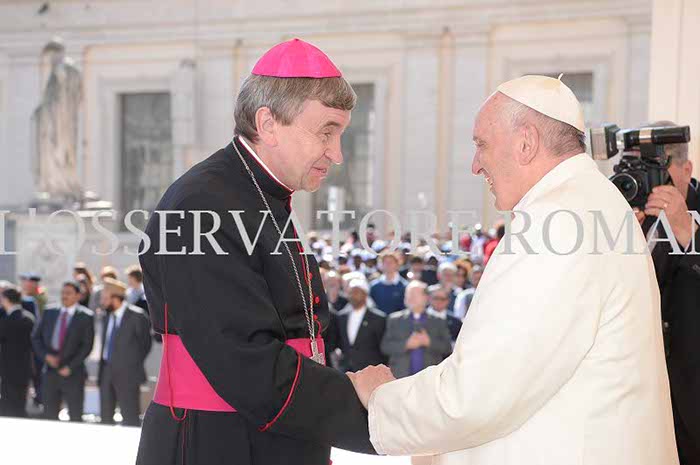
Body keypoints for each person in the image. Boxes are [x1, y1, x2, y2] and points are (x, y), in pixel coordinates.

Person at [349, 75, 678, 465]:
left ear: (526, 143)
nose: (475, 165)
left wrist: (382, 398)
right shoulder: (596, 202)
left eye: (481, 145)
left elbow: (479, 393)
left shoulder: (556, 222)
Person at [136, 38, 374, 465]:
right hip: (218, 443)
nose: (337, 154)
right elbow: (246, 362)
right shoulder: (201, 207)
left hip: (272, 435)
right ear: (268, 124)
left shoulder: (262, 195)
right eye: (326, 132)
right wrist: (380, 416)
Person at [635, 120, 700, 465]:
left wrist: (687, 231)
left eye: (661, 173)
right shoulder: (631, 215)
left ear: (687, 169)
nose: (653, 185)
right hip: (644, 395)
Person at [32, 281, 94, 422]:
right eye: (63, 292)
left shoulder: (85, 316)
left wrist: (70, 366)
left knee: (75, 416)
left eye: (68, 293)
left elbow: (87, 346)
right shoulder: (49, 312)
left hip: (73, 373)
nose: (64, 296)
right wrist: (46, 356)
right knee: (49, 415)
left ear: (78, 296)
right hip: (50, 372)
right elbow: (36, 337)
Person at [99, 278, 152, 426]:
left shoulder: (137, 316)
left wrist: (129, 363)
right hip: (106, 372)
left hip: (129, 375)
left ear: (115, 299)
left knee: (130, 418)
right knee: (105, 419)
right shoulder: (106, 316)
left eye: (105, 299)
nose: (102, 302)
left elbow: (145, 345)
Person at [380, 281, 452, 379]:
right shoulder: (394, 319)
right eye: (407, 294)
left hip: (429, 378)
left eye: (414, 294)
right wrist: (406, 344)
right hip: (401, 378)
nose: (410, 297)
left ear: (426, 298)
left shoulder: (438, 321)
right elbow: (385, 347)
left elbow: (447, 348)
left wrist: (428, 342)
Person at [330, 279, 387, 372]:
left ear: (365, 294)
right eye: (350, 292)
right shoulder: (341, 317)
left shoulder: (378, 318)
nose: (352, 295)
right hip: (347, 369)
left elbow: (383, 347)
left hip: (371, 369)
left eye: (356, 292)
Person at [0, 287, 35, 417]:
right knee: (19, 402)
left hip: (8, 367)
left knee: (9, 404)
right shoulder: (29, 317)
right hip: (23, 367)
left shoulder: (7, 319)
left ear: (6, 299)